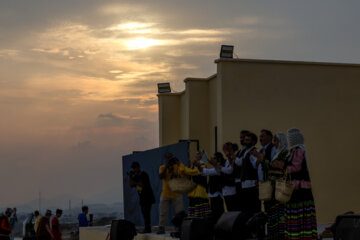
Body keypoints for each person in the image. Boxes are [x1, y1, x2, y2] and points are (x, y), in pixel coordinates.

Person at [283, 128, 317, 239]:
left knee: (299, 214)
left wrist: (283, 167)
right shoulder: (294, 150)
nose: (289, 140)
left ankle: (300, 236)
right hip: (298, 189)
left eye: (290, 138)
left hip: (299, 190)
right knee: (300, 214)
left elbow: (296, 167)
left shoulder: (298, 150)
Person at [266, 132, 289, 240]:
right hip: (273, 186)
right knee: (272, 212)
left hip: (280, 187)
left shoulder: (286, 152)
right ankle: (274, 234)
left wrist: (266, 162)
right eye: (274, 141)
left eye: (276, 141)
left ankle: (280, 234)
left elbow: (281, 167)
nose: (274, 143)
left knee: (280, 212)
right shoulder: (277, 152)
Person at [235, 132, 263, 215]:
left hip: (252, 184)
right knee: (246, 209)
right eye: (245, 140)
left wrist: (258, 179)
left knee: (253, 209)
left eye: (247, 140)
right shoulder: (245, 152)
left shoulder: (254, 151)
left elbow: (257, 166)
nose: (245, 141)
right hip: (244, 184)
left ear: (253, 142)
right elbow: (240, 163)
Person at [157, 153, 184, 234]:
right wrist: (166, 167)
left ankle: (179, 227)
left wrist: (177, 164)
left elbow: (180, 176)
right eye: (168, 159)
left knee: (179, 212)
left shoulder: (177, 167)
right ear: (166, 159)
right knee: (162, 212)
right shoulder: (162, 167)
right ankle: (161, 227)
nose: (170, 160)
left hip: (176, 194)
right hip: (165, 194)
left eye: (171, 158)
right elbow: (161, 176)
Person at [209, 142, 237, 211]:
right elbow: (219, 172)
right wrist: (215, 165)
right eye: (224, 149)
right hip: (226, 190)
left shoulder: (234, 158)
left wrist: (216, 165)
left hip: (232, 189)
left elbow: (229, 170)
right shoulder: (227, 160)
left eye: (226, 149)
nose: (225, 151)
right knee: (229, 209)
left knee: (232, 209)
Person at [129, 162, 155, 233]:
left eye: (135, 168)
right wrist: (130, 177)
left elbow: (143, 185)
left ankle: (148, 228)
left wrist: (136, 183)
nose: (134, 169)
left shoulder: (144, 175)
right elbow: (131, 185)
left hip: (148, 197)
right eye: (133, 168)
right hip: (142, 198)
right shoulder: (136, 176)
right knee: (144, 213)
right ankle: (147, 228)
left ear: (138, 167)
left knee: (147, 213)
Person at [185, 151, 211, 218]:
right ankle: (194, 220)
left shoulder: (203, 165)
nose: (196, 156)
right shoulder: (193, 166)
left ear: (201, 157)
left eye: (198, 154)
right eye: (196, 154)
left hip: (201, 188)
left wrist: (185, 170)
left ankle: (202, 220)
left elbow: (194, 172)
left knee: (200, 203)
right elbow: (189, 174)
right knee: (194, 203)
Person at [200, 152, 225, 222]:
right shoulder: (215, 167)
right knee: (214, 212)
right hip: (213, 193)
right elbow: (206, 172)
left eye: (214, 158)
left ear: (219, 159)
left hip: (217, 193)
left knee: (218, 212)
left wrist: (200, 167)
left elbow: (210, 172)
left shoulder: (220, 167)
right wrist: (199, 166)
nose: (213, 160)